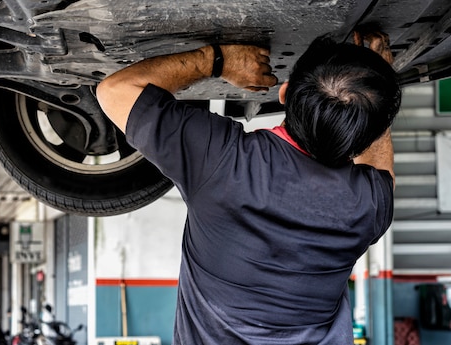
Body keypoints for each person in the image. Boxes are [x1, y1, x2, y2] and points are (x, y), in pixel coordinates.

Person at [96, 32, 401, 345]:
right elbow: (379, 168)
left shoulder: (223, 160)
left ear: (284, 93)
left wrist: (216, 60)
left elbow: (114, 91)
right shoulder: (368, 204)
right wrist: (367, 99)